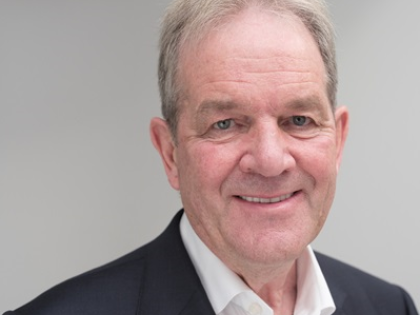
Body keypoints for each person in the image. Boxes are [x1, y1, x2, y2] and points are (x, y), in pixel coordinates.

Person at [3, 0, 418, 314]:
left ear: (338, 139)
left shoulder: (389, 306)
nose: (271, 161)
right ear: (170, 153)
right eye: (226, 124)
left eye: (298, 119)